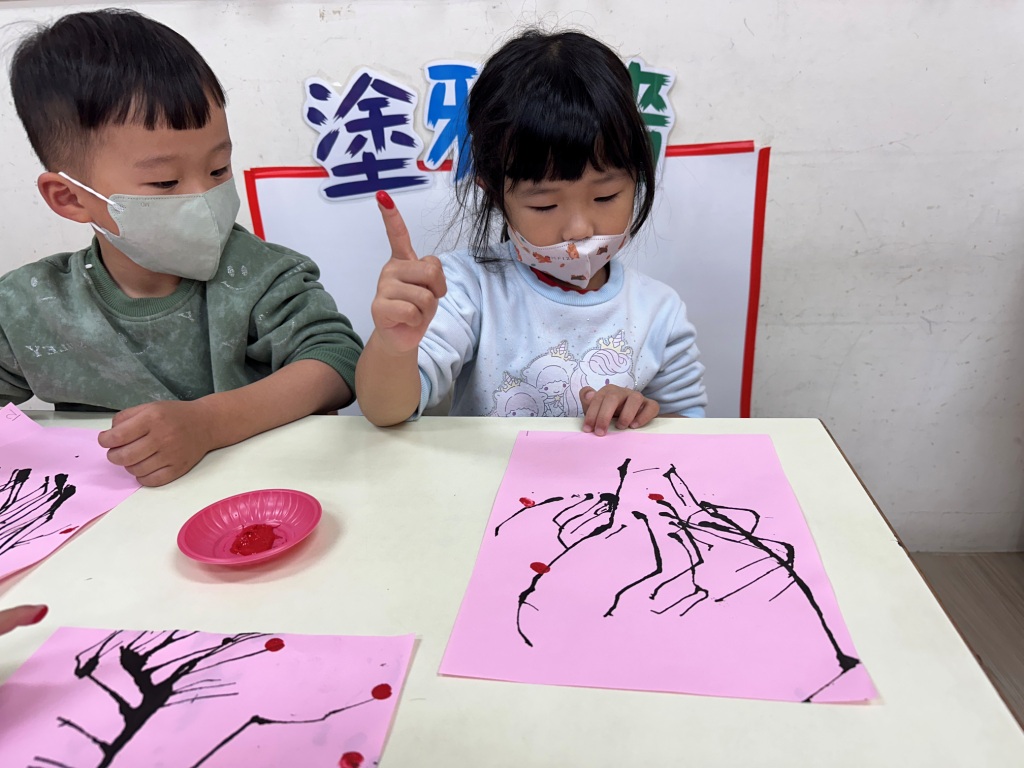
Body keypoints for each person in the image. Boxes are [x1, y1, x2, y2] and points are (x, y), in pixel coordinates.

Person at [1, 9, 362, 486]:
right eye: (165, 182)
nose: (203, 198)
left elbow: (337, 361)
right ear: (70, 198)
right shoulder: (29, 305)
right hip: (112, 516)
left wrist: (209, 424)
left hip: (254, 495)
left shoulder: (261, 276)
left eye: (218, 170)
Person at [356, 29, 706, 435]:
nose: (579, 228)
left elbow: (691, 427)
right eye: (545, 205)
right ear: (495, 193)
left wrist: (641, 415)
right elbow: (387, 411)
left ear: (638, 177)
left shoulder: (660, 311)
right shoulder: (466, 288)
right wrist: (393, 347)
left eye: (606, 196)